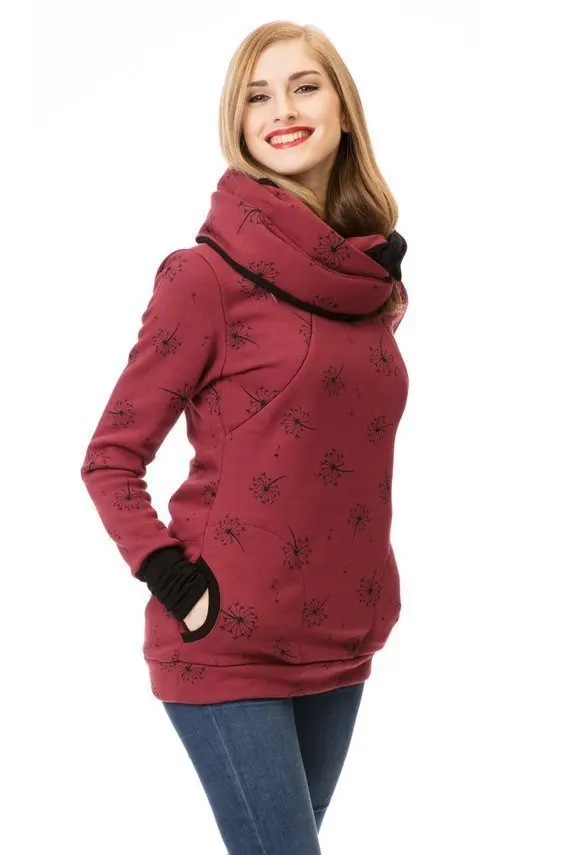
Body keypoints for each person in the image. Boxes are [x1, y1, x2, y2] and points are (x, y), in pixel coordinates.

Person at [80, 19, 409, 853]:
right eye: (258, 96)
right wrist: (176, 583)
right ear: (238, 121)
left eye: (304, 86)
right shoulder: (203, 278)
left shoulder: (365, 282)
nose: (282, 110)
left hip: (341, 635)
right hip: (227, 641)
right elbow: (111, 456)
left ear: (344, 109)